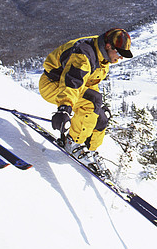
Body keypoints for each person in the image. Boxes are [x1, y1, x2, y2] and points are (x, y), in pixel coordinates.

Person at [39, 28, 133, 175]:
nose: (120, 58)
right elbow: (72, 81)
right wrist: (64, 107)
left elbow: (89, 82)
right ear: (109, 46)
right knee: (92, 103)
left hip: (70, 87)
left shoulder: (103, 56)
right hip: (54, 84)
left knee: (101, 118)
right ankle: (73, 143)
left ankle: (90, 150)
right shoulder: (84, 54)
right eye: (120, 53)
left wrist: (98, 108)